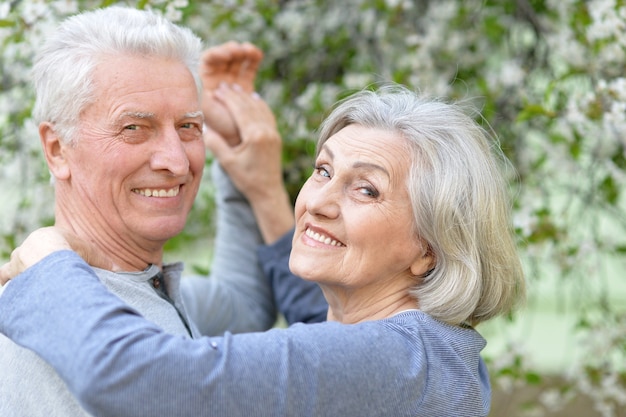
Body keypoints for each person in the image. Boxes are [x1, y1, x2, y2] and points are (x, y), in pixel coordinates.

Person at [0, 83, 526, 416]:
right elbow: (310, 314)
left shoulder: (398, 362)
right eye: (323, 171)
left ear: (429, 250)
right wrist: (261, 190)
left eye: (366, 189)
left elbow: (147, 380)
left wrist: (49, 263)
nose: (318, 201)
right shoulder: (422, 347)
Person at [0, 7, 325, 417]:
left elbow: (244, 306)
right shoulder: (53, 325)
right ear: (56, 148)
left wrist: (239, 156)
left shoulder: (142, 286)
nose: (177, 160)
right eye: (134, 128)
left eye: (189, 127)